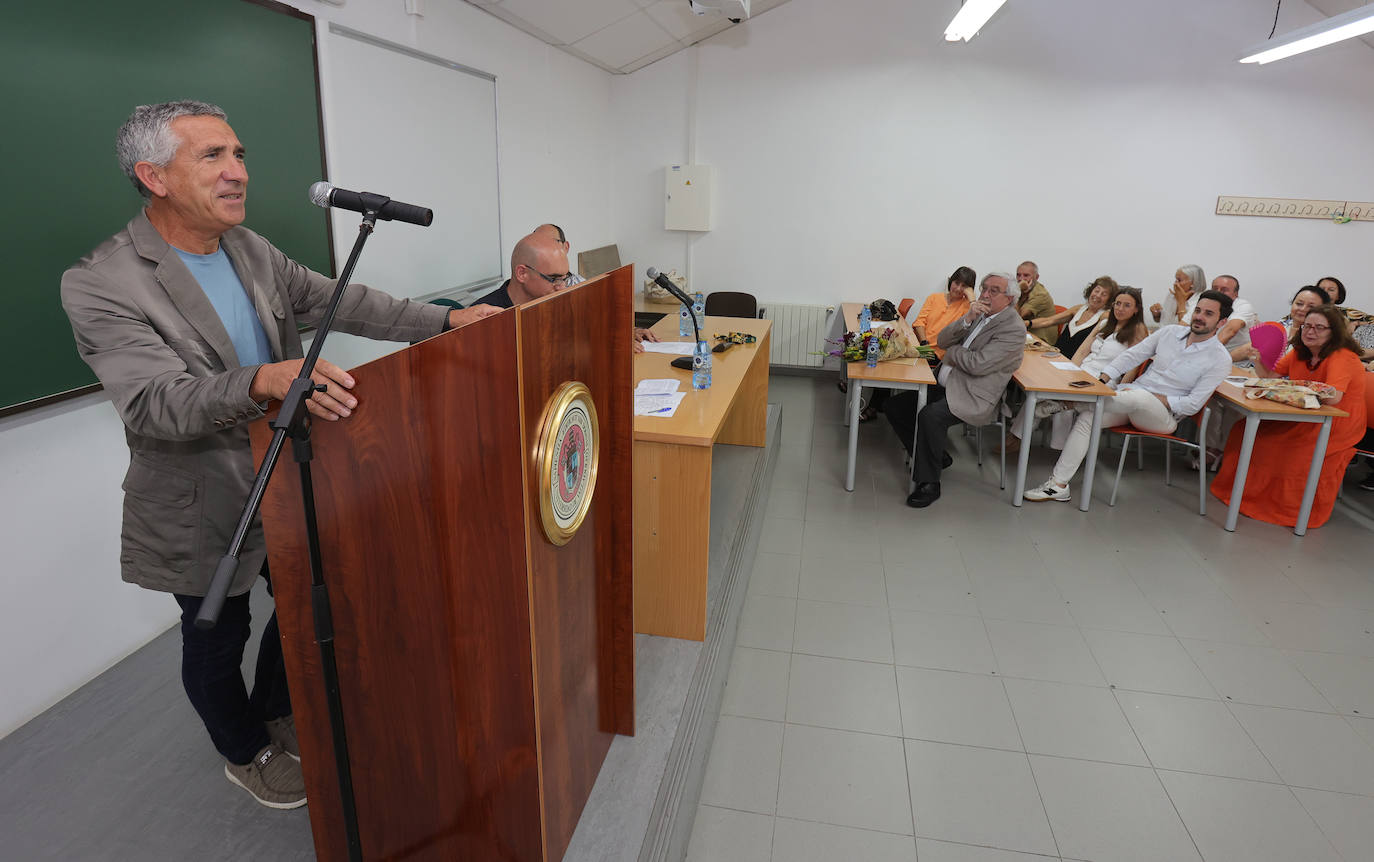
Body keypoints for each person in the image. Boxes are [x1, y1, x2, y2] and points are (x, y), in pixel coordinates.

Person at [59, 101, 501, 810]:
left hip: (290, 479)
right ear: (154, 176)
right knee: (217, 633)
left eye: (239, 155)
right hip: (201, 496)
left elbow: (344, 302)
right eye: (212, 157)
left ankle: (278, 707)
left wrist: (447, 320)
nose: (237, 173)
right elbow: (153, 403)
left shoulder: (249, 250)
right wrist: (263, 380)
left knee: (301, 599)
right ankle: (245, 751)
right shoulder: (102, 282)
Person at [1023, 290, 1233, 502]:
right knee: (1089, 418)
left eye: (1208, 313)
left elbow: (1191, 405)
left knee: (1139, 396)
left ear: (1221, 321)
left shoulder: (1219, 359)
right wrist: (1103, 380)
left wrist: (1150, 396)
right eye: (1197, 310)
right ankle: (1058, 485)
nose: (1199, 316)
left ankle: (1072, 401)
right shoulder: (1169, 333)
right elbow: (1131, 356)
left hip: (1163, 417)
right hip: (1128, 400)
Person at [1212, 304, 1367, 528]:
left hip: (1336, 422)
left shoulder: (1343, 356)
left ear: (1333, 332)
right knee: (1245, 429)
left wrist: (1296, 388)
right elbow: (1270, 377)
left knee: (1285, 447)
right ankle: (1243, 494)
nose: (1310, 332)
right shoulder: (1300, 351)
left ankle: (1287, 510)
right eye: (1307, 326)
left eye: (1319, 328)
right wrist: (1257, 359)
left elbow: (1333, 397)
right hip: (1304, 414)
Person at [885, 272, 1025, 508]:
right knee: (894, 406)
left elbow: (978, 364)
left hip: (972, 393)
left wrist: (953, 353)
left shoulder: (1013, 329)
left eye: (994, 291)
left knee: (930, 417)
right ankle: (937, 456)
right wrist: (968, 319)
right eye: (984, 288)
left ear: (1009, 298)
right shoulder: (980, 314)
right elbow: (941, 340)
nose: (985, 295)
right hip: (946, 382)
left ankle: (929, 483)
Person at [1002, 287, 1148, 455]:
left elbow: (1132, 366)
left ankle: (1060, 450)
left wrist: (1121, 392)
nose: (1120, 309)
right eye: (1118, 304)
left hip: (1104, 381)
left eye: (1127, 305)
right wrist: (1069, 372)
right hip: (1082, 372)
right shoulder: (1104, 323)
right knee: (1038, 392)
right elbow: (1083, 350)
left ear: (1137, 309)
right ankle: (1016, 438)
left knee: (1063, 405)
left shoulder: (1138, 330)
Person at [1025, 275, 1118, 358]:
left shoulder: (1104, 316)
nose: (1097, 296)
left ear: (1109, 300)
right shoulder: (1078, 309)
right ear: (1091, 291)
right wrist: (1027, 324)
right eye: (1096, 291)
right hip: (1054, 356)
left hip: (1075, 364)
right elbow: (1049, 321)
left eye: (1104, 294)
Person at [474, 232, 572, 309]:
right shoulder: (483, 319)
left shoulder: (559, 305)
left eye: (565, 278)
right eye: (554, 279)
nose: (562, 288)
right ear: (522, 273)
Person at [912, 266, 977, 358]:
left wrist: (972, 299)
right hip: (920, 344)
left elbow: (961, 334)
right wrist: (923, 343)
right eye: (957, 283)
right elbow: (919, 322)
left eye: (964, 286)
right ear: (951, 281)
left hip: (939, 354)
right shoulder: (934, 298)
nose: (958, 288)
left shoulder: (967, 307)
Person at [1015, 261, 1058, 343]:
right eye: (1018, 275)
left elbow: (1017, 318)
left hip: (1040, 342)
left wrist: (1015, 294)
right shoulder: (1023, 290)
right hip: (1024, 335)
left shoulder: (1040, 294)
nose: (1021, 279)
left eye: (1026, 275)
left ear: (1036, 277)